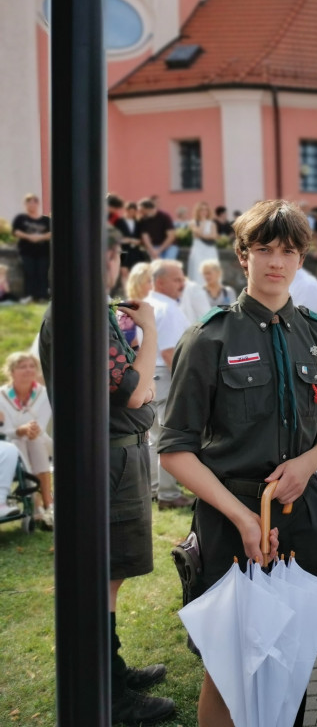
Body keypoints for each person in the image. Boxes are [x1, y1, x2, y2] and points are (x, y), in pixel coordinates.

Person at [159, 200, 317, 727]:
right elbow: (175, 449)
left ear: (302, 258)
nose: (277, 262)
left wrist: (306, 465)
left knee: (294, 659)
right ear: (242, 255)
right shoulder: (210, 337)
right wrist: (243, 517)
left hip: (300, 518)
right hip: (231, 520)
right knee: (227, 669)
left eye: (289, 251)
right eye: (264, 249)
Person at [39, 228, 175, 724]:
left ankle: (111, 671)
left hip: (112, 458)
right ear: (110, 257)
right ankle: (110, 692)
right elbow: (135, 391)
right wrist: (152, 331)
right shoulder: (84, 310)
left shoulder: (82, 307)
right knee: (105, 577)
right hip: (108, 463)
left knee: (109, 576)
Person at [145, 259, 192, 510]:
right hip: (166, 375)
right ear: (160, 282)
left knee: (153, 438)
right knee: (169, 438)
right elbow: (170, 352)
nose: (181, 283)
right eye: (176, 279)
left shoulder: (146, 305)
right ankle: (168, 494)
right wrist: (186, 385)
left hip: (147, 377)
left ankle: (155, 489)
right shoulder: (168, 308)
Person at [0, 352, 54, 529]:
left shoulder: (44, 394)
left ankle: (44, 503)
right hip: (13, 442)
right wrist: (20, 430)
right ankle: (42, 504)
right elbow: (4, 430)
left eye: (32, 366)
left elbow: (41, 426)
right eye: (23, 366)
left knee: (35, 441)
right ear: (12, 371)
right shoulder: (2, 396)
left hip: (40, 440)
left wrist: (28, 431)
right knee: (17, 444)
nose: (28, 370)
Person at [12, 192, 51, 302]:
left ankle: (42, 296)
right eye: (29, 203)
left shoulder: (46, 220)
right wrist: (30, 236)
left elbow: (52, 233)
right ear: (25, 205)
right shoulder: (20, 219)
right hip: (26, 252)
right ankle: (30, 296)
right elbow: (16, 232)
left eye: (34, 203)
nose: (32, 205)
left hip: (43, 252)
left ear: (37, 204)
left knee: (42, 273)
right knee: (29, 273)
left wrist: (39, 237)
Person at [186, 202, 220, 283]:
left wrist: (202, 235)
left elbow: (214, 236)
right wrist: (203, 222)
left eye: (206, 210)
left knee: (212, 269)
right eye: (202, 210)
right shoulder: (193, 222)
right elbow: (197, 233)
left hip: (210, 250)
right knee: (198, 271)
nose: (204, 212)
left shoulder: (212, 224)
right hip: (198, 249)